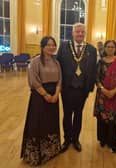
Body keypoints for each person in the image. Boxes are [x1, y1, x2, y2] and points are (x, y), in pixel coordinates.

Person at [21, 36, 62, 166]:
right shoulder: (35, 61)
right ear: (43, 46)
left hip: (54, 96)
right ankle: (36, 155)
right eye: (48, 45)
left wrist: (56, 94)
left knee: (51, 123)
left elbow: (60, 79)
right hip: (39, 97)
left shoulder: (56, 62)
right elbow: (33, 80)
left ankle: (51, 151)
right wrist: (45, 95)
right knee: (38, 124)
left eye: (53, 45)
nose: (51, 47)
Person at [57, 22, 97, 152]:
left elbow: (93, 69)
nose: (80, 34)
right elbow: (58, 66)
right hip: (67, 88)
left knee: (78, 115)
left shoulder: (91, 49)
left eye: (82, 32)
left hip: (82, 90)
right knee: (67, 114)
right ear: (72, 33)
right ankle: (67, 139)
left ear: (85, 34)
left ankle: (76, 139)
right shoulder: (63, 47)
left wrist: (89, 87)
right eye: (77, 32)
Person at [94, 40, 116, 153]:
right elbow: (96, 78)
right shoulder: (101, 62)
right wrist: (103, 90)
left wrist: (114, 91)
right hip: (102, 95)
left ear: (115, 48)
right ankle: (103, 139)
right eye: (108, 46)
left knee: (113, 119)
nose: (110, 48)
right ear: (105, 48)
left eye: (112, 47)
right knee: (102, 118)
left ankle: (112, 142)